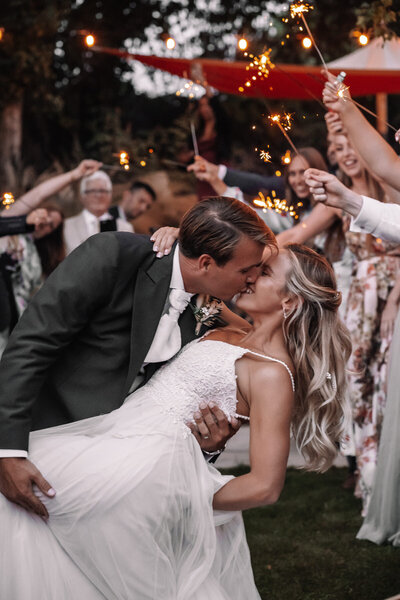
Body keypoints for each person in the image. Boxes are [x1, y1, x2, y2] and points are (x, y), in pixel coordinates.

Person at [0, 242, 351, 598]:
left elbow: (265, 487)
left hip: (142, 471)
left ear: (290, 301)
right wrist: (178, 236)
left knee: (23, 505)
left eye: (264, 273)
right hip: (110, 437)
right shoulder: (235, 328)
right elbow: (198, 269)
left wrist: (182, 494)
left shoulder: (273, 375)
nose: (249, 277)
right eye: (253, 268)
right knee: (29, 523)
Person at [0, 196, 274, 518]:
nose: (253, 278)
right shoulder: (112, 256)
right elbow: (31, 345)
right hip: (48, 440)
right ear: (204, 262)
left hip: (128, 472)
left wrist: (208, 445)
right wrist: (9, 452)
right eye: (247, 270)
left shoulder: (211, 310)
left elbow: (256, 347)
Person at [63, 170, 134, 254]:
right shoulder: (66, 226)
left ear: (110, 195)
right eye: (92, 191)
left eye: (103, 191)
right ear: (82, 196)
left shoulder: (125, 228)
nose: (98, 195)